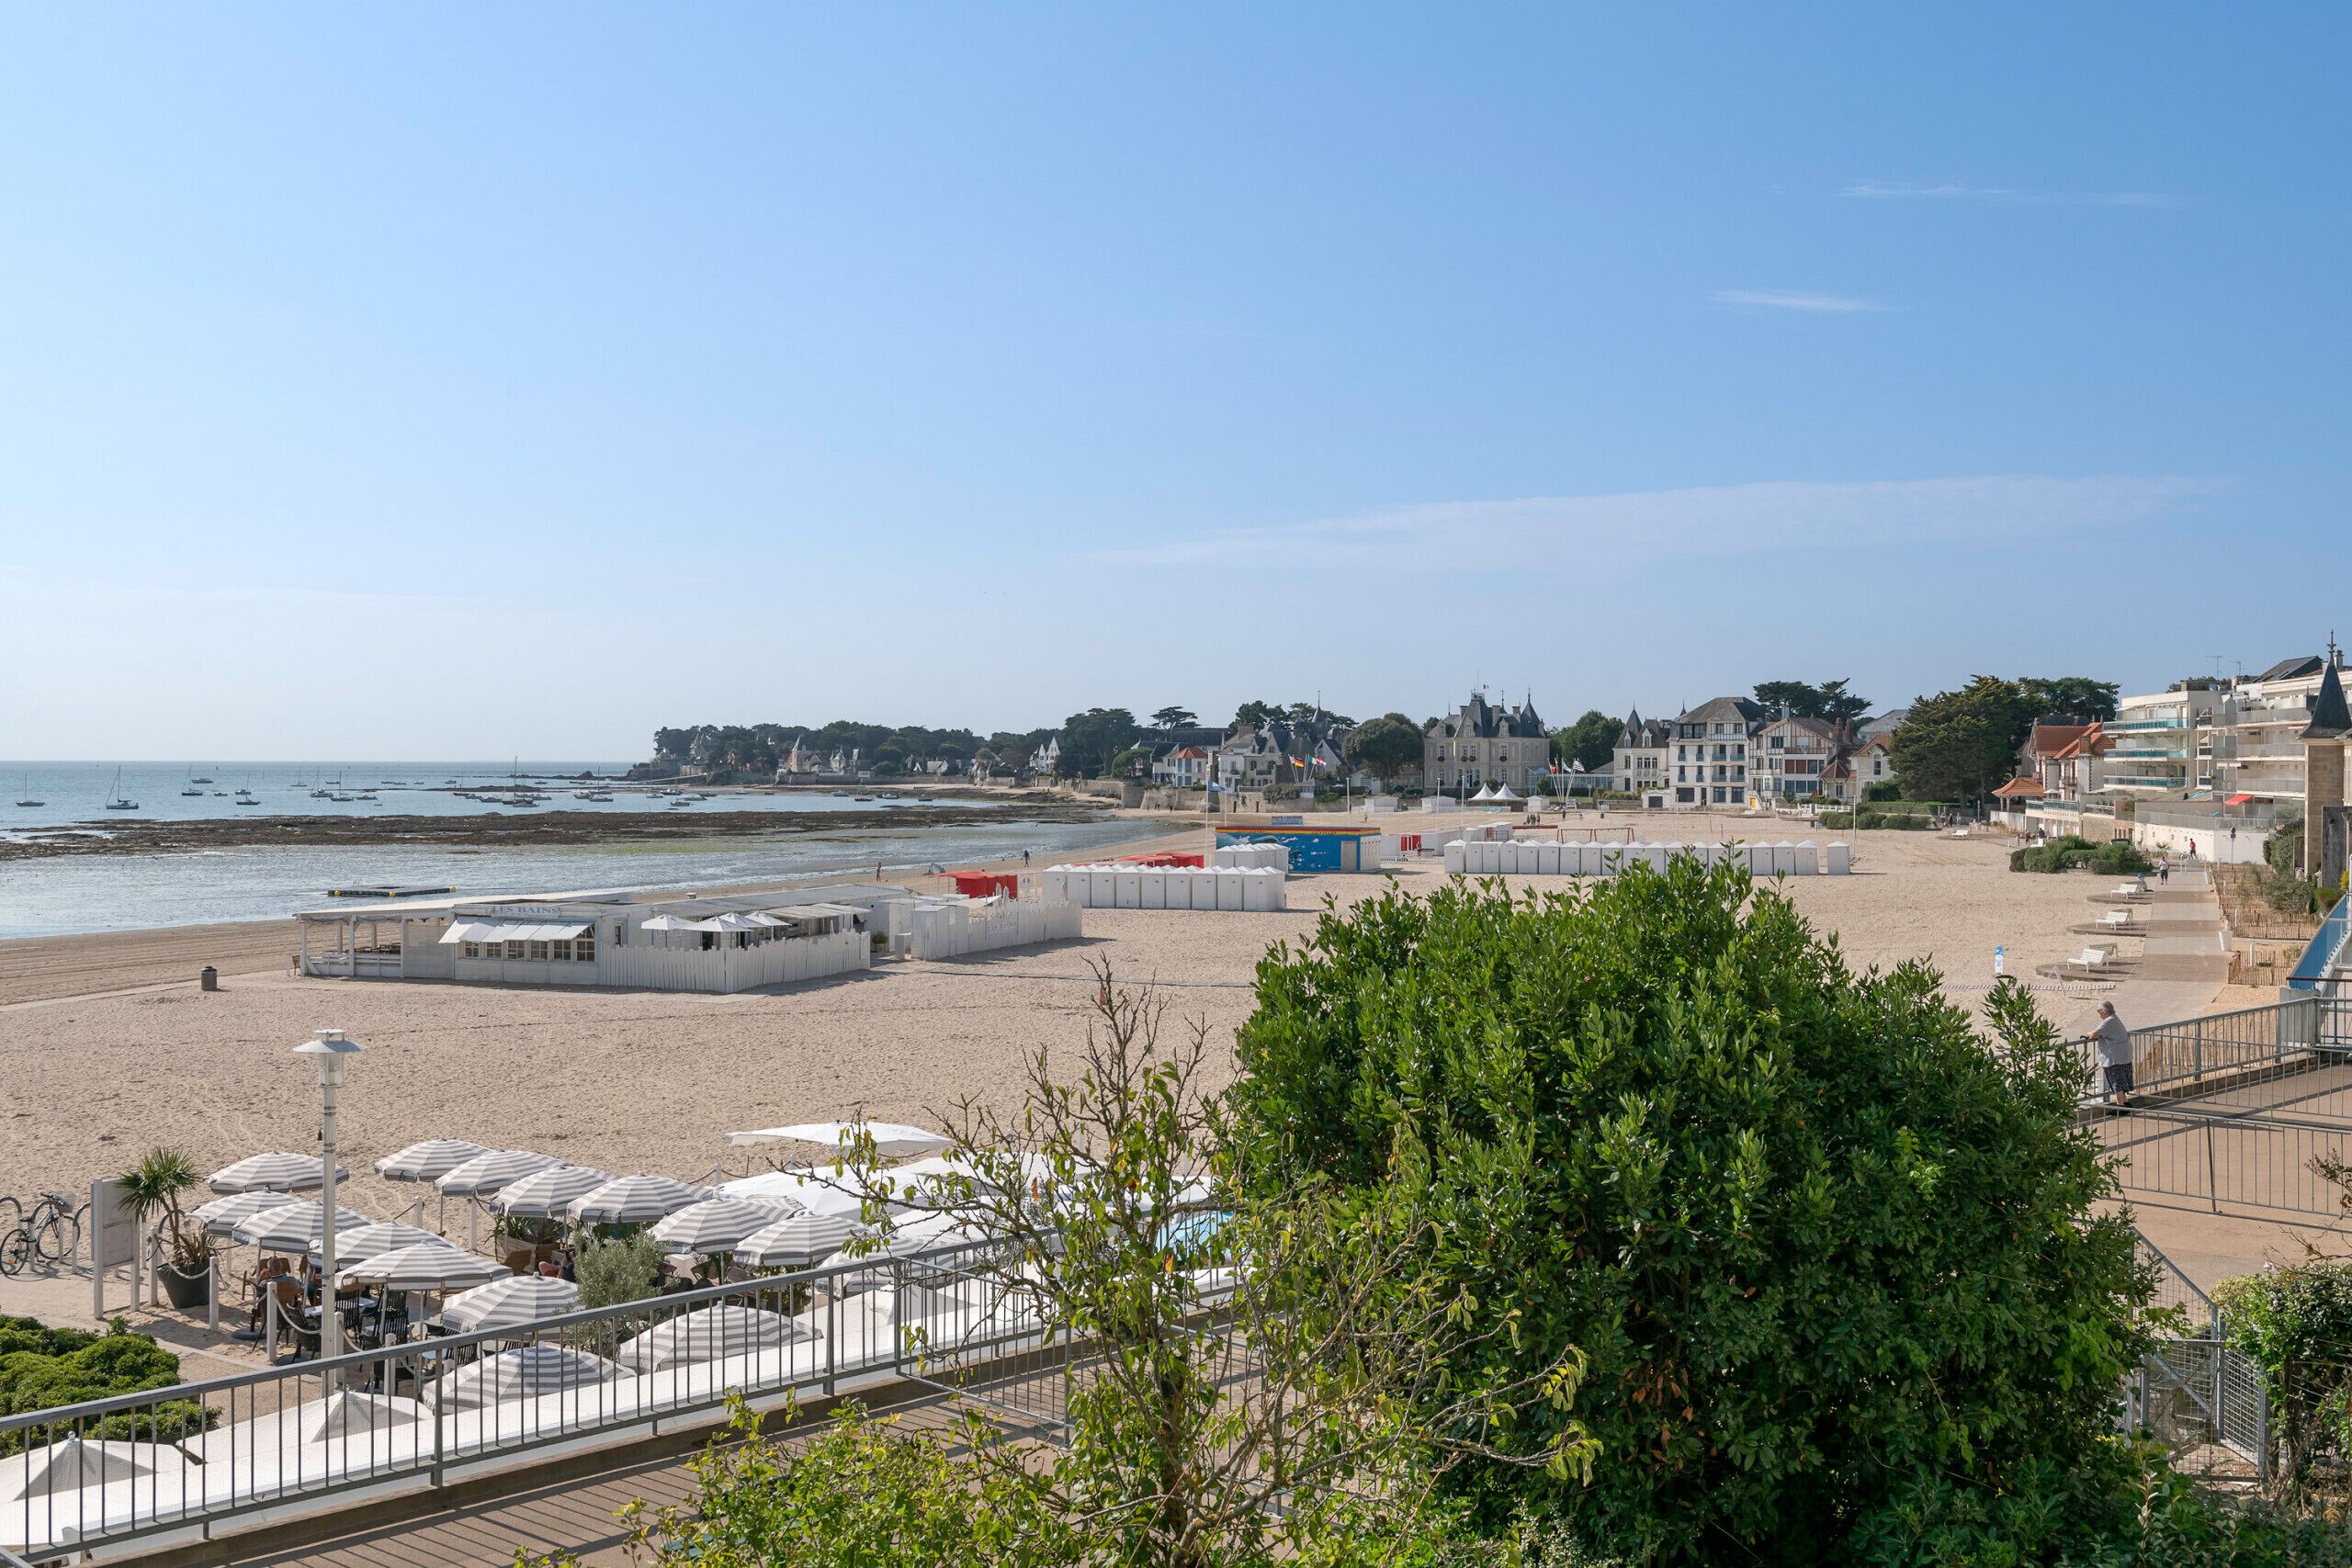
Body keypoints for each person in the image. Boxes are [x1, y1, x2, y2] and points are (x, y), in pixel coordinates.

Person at [2077, 1002, 2134, 1105]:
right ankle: (2125, 1102)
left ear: (2104, 1011)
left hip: (2115, 1057)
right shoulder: (2114, 1018)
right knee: (2121, 1079)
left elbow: (2095, 1034)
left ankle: (2120, 1105)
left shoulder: (2109, 1021)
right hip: (2122, 1054)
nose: (2098, 1014)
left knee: (2116, 1080)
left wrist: (2088, 1034)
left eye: (2098, 1011)